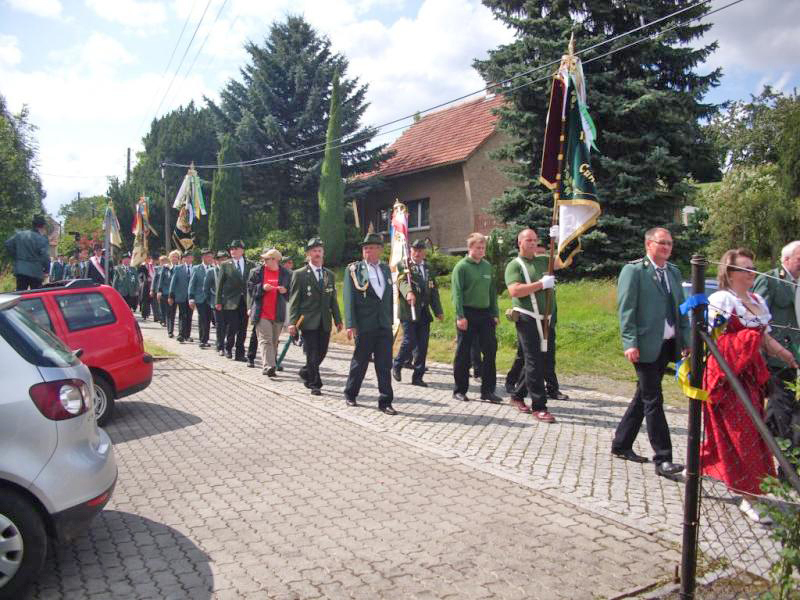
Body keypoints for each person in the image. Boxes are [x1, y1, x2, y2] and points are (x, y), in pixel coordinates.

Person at [702, 248, 798, 523]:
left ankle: (700, 468)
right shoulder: (722, 299)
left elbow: (765, 338)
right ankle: (748, 496)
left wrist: (786, 356)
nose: (751, 273)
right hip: (728, 375)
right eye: (745, 269)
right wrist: (744, 339)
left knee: (749, 432)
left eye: (753, 268)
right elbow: (714, 339)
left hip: (752, 376)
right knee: (740, 434)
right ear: (730, 273)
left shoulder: (756, 300)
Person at [612, 227, 688, 477]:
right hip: (644, 345)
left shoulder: (674, 272)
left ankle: (621, 443)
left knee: (643, 396)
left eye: (669, 243)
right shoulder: (634, 271)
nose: (666, 247)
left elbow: (681, 310)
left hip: (668, 344)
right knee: (653, 399)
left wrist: (685, 340)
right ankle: (663, 459)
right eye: (661, 243)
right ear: (648, 245)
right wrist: (630, 342)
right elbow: (626, 310)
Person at [505, 228, 567, 422]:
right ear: (520, 242)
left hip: (546, 319)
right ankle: (539, 406)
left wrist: (560, 239)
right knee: (533, 360)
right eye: (528, 240)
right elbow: (515, 291)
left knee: (541, 359)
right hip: (527, 317)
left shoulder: (543, 260)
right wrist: (541, 284)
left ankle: (517, 395)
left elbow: (564, 261)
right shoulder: (514, 265)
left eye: (534, 240)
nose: (532, 243)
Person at [753, 240, 800, 480]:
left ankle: (773, 459)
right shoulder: (770, 280)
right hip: (775, 360)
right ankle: (787, 470)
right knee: (782, 413)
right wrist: (770, 349)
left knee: (783, 414)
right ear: (787, 259)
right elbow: (758, 320)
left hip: (795, 361)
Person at [343, 233, 396, 414]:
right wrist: (351, 323)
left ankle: (385, 401)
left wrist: (391, 320)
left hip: (383, 324)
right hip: (365, 324)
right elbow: (348, 298)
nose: (368, 251)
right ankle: (351, 393)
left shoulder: (386, 269)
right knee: (360, 361)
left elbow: (388, 298)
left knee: (384, 364)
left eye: (372, 247)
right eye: (365, 248)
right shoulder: (354, 269)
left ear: (380, 250)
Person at [288, 238, 343, 395]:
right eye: (314, 251)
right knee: (312, 352)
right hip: (307, 321)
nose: (317, 254)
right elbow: (294, 300)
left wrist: (338, 320)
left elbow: (333, 300)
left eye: (319, 251)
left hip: (325, 321)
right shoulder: (299, 274)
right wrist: (292, 323)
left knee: (322, 352)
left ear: (323, 253)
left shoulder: (329, 275)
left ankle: (306, 371)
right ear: (308, 254)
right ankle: (314, 383)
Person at [451, 233, 501, 403]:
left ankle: (488, 391)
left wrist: (495, 313)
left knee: (490, 351)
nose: (481, 251)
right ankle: (459, 390)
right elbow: (456, 293)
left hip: (485, 314)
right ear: (470, 248)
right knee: (463, 353)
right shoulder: (462, 267)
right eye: (478, 248)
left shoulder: (487, 266)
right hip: (467, 313)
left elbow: (491, 292)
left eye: (483, 248)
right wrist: (460, 316)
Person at [392, 239, 443, 387]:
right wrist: (408, 293)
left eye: (420, 250)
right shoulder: (404, 265)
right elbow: (401, 282)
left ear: (424, 252)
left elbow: (433, 291)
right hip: (409, 310)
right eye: (415, 250)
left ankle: (418, 376)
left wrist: (438, 310)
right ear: (410, 250)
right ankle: (397, 364)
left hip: (423, 311)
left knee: (423, 344)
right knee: (410, 340)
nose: (417, 253)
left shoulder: (428, 268)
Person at [247, 248, 291, 376]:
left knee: (274, 341)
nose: (264, 261)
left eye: (267, 259)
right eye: (264, 259)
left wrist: (285, 291)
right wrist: (262, 288)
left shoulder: (286, 274)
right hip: (262, 312)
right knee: (265, 340)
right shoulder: (256, 272)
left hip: (278, 312)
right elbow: (250, 290)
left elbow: (292, 293)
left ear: (275, 260)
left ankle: (271, 364)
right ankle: (269, 366)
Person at [215, 240, 254, 361]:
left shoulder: (251, 264)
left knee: (243, 328)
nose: (233, 251)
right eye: (231, 249)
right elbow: (220, 284)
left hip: (245, 301)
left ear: (242, 250)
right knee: (232, 327)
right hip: (230, 301)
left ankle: (240, 353)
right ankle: (228, 347)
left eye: (236, 249)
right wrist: (218, 301)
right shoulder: (225, 264)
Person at [4, 214, 50, 290]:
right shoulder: (42, 239)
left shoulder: (20, 234)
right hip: (36, 271)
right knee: (36, 296)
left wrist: (16, 256)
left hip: (21, 269)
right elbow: (45, 256)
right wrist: (47, 270)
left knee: (20, 294)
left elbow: (8, 244)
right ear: (43, 226)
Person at [189, 249, 214, 348]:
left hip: (210, 298)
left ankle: (206, 339)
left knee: (208, 319)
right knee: (202, 318)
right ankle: (202, 339)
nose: (210, 259)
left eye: (211, 257)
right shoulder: (196, 268)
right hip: (200, 297)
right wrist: (191, 297)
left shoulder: (213, 268)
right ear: (203, 257)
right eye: (208, 257)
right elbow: (192, 283)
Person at [169, 251, 194, 343]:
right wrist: (171, 295)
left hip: (191, 296)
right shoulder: (178, 268)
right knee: (182, 315)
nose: (188, 259)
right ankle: (181, 334)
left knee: (189, 315)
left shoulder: (195, 268)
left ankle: (187, 335)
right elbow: (173, 281)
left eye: (190, 257)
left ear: (192, 259)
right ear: (183, 259)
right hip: (181, 295)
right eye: (186, 257)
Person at [205, 251, 228, 354]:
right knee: (220, 325)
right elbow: (206, 288)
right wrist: (211, 301)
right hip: (216, 302)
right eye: (221, 259)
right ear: (217, 261)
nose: (223, 261)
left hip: (229, 302)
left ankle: (227, 344)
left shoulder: (231, 270)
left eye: (225, 259)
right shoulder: (211, 271)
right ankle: (220, 346)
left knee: (229, 325)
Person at [159, 250, 179, 337]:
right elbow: (161, 280)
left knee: (175, 312)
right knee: (169, 312)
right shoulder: (166, 267)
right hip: (167, 293)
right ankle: (170, 331)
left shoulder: (181, 267)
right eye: (173, 257)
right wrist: (159, 291)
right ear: (170, 258)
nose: (174, 258)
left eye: (176, 257)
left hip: (178, 293)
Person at [137, 254, 156, 321]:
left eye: (149, 258)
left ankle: (149, 313)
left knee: (150, 299)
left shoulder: (151, 266)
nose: (148, 260)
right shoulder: (142, 266)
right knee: (144, 300)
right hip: (144, 284)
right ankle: (144, 314)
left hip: (151, 284)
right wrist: (144, 279)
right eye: (147, 258)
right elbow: (140, 275)